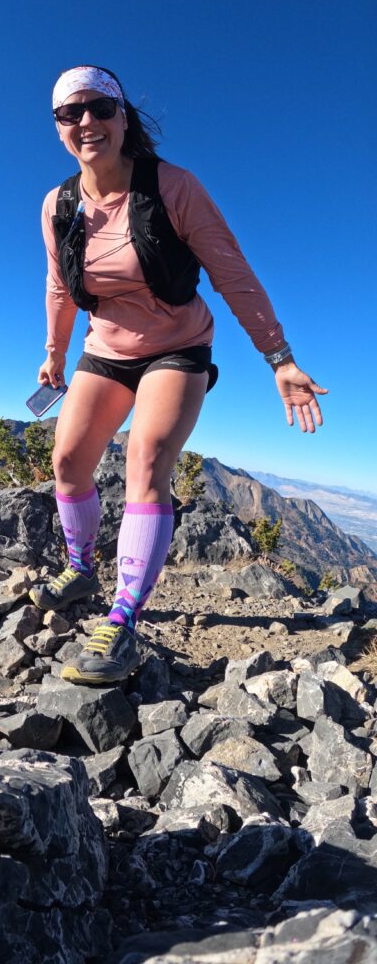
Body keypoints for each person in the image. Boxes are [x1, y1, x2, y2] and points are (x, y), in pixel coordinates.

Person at [29, 65, 328, 686]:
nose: (87, 123)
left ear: (123, 117)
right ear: (58, 127)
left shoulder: (172, 187)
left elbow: (231, 272)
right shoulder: (58, 207)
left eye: (100, 108)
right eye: (70, 113)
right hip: (105, 349)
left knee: (148, 456)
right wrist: (55, 352)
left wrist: (280, 358)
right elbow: (61, 285)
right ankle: (81, 565)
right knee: (68, 463)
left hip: (177, 346)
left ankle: (123, 615)